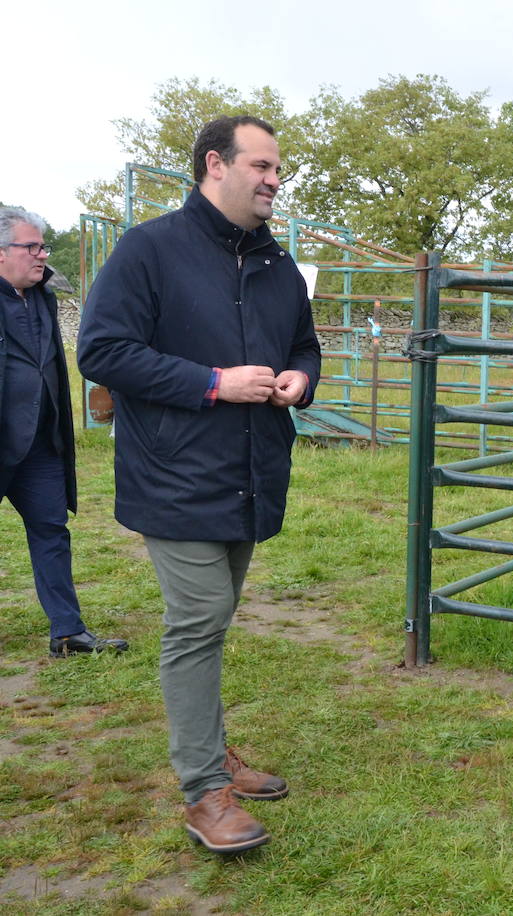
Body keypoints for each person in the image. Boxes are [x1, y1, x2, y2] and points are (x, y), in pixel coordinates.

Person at [78, 116, 321, 853]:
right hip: (173, 473)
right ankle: (202, 793)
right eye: (263, 165)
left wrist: (299, 379)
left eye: (278, 169)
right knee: (199, 618)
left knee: (213, 622)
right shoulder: (149, 249)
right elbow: (101, 350)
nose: (275, 180)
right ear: (215, 164)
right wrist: (213, 383)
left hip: (249, 474)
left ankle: (213, 754)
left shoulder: (276, 263)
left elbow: (304, 342)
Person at [0, 207, 128, 658]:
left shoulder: (41, 296)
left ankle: (67, 633)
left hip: (39, 443)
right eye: (30, 247)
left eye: (43, 247)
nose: (41, 255)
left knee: (52, 532)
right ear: (0, 254)